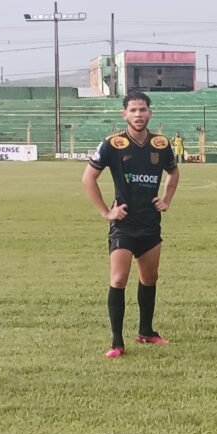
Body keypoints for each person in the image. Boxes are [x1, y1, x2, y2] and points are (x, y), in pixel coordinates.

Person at [81, 91, 179, 358]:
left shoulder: (160, 144)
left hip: (150, 222)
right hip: (123, 223)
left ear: (150, 113)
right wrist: (106, 212)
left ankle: (146, 331)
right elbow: (88, 178)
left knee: (149, 278)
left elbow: (173, 172)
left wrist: (166, 199)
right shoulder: (112, 144)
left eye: (143, 110)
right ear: (124, 114)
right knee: (119, 278)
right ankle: (116, 342)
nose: (138, 115)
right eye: (133, 110)